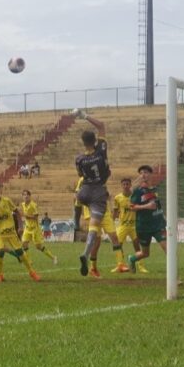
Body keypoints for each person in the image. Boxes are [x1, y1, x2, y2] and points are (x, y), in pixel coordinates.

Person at [73, 110, 121, 276]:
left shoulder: (79, 159)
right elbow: (101, 125)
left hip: (84, 191)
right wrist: (84, 115)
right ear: (95, 141)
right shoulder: (101, 150)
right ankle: (85, 253)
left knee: (78, 199)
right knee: (94, 228)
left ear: (83, 142)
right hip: (98, 192)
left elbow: (80, 175)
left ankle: (75, 217)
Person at [0, 182, 40, 283]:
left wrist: (21, 226)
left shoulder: (7, 201)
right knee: (0, 250)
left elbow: (17, 212)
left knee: (20, 252)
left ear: (0, 190)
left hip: (11, 232)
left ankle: (32, 273)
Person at [127, 165, 168, 273]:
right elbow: (131, 207)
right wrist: (146, 207)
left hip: (158, 225)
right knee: (145, 253)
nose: (143, 175)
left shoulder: (155, 189)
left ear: (151, 174)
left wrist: (162, 216)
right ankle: (132, 258)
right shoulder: (138, 191)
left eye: (145, 172)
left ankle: (175, 278)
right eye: (141, 173)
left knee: (168, 250)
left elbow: (157, 205)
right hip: (143, 226)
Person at [113, 178, 147, 273]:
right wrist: (112, 221)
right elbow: (115, 211)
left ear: (130, 185)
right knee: (118, 245)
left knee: (137, 245)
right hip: (123, 226)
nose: (125, 186)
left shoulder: (135, 197)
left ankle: (141, 266)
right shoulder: (117, 198)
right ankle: (120, 265)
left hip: (134, 226)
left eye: (127, 184)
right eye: (124, 184)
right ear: (121, 185)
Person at [20, 190, 57, 265]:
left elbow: (36, 217)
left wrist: (27, 216)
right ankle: (29, 261)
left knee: (38, 246)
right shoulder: (23, 204)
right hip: (27, 228)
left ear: (30, 196)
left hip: (34, 229)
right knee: (24, 243)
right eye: (24, 195)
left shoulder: (33, 205)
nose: (25, 196)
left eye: (27, 195)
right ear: (22, 197)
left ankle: (53, 257)